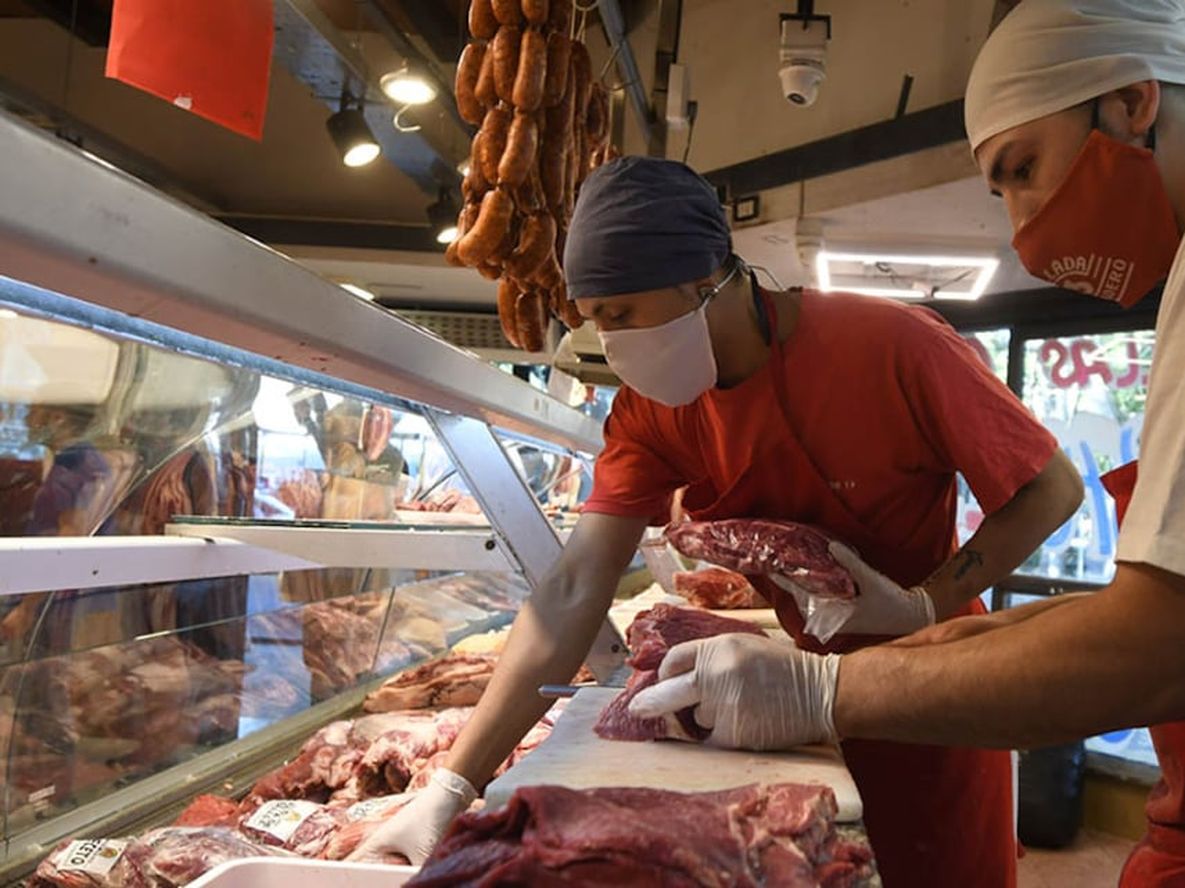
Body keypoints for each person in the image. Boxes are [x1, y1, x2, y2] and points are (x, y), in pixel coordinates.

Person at [352, 157, 1083, 886]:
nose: (608, 341)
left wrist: (925, 600)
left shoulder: (893, 345)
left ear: (703, 280)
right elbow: (575, 585)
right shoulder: (651, 412)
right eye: (592, 318)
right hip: (781, 707)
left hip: (928, 696)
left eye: (619, 315)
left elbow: (1048, 490)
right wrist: (455, 784)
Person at [631, 2, 1185, 885]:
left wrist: (853, 670)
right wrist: (921, 637)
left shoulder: (891, 342)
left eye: (1023, 168)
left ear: (1130, 102)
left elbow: (1158, 640)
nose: (1019, 227)